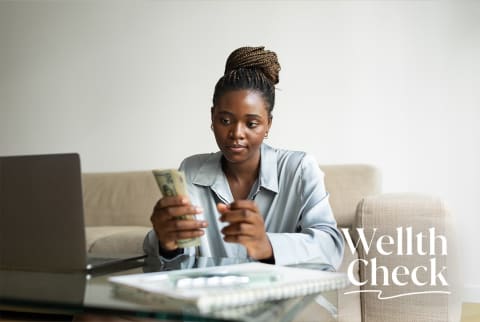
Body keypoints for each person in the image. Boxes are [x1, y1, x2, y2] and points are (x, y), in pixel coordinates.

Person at [144, 46, 344, 268]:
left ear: (268, 124)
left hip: (279, 298)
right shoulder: (191, 170)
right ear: (212, 117)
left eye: (251, 124)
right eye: (226, 121)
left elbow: (332, 246)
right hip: (212, 297)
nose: (236, 134)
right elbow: (180, 258)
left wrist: (266, 244)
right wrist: (165, 243)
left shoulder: (299, 168)